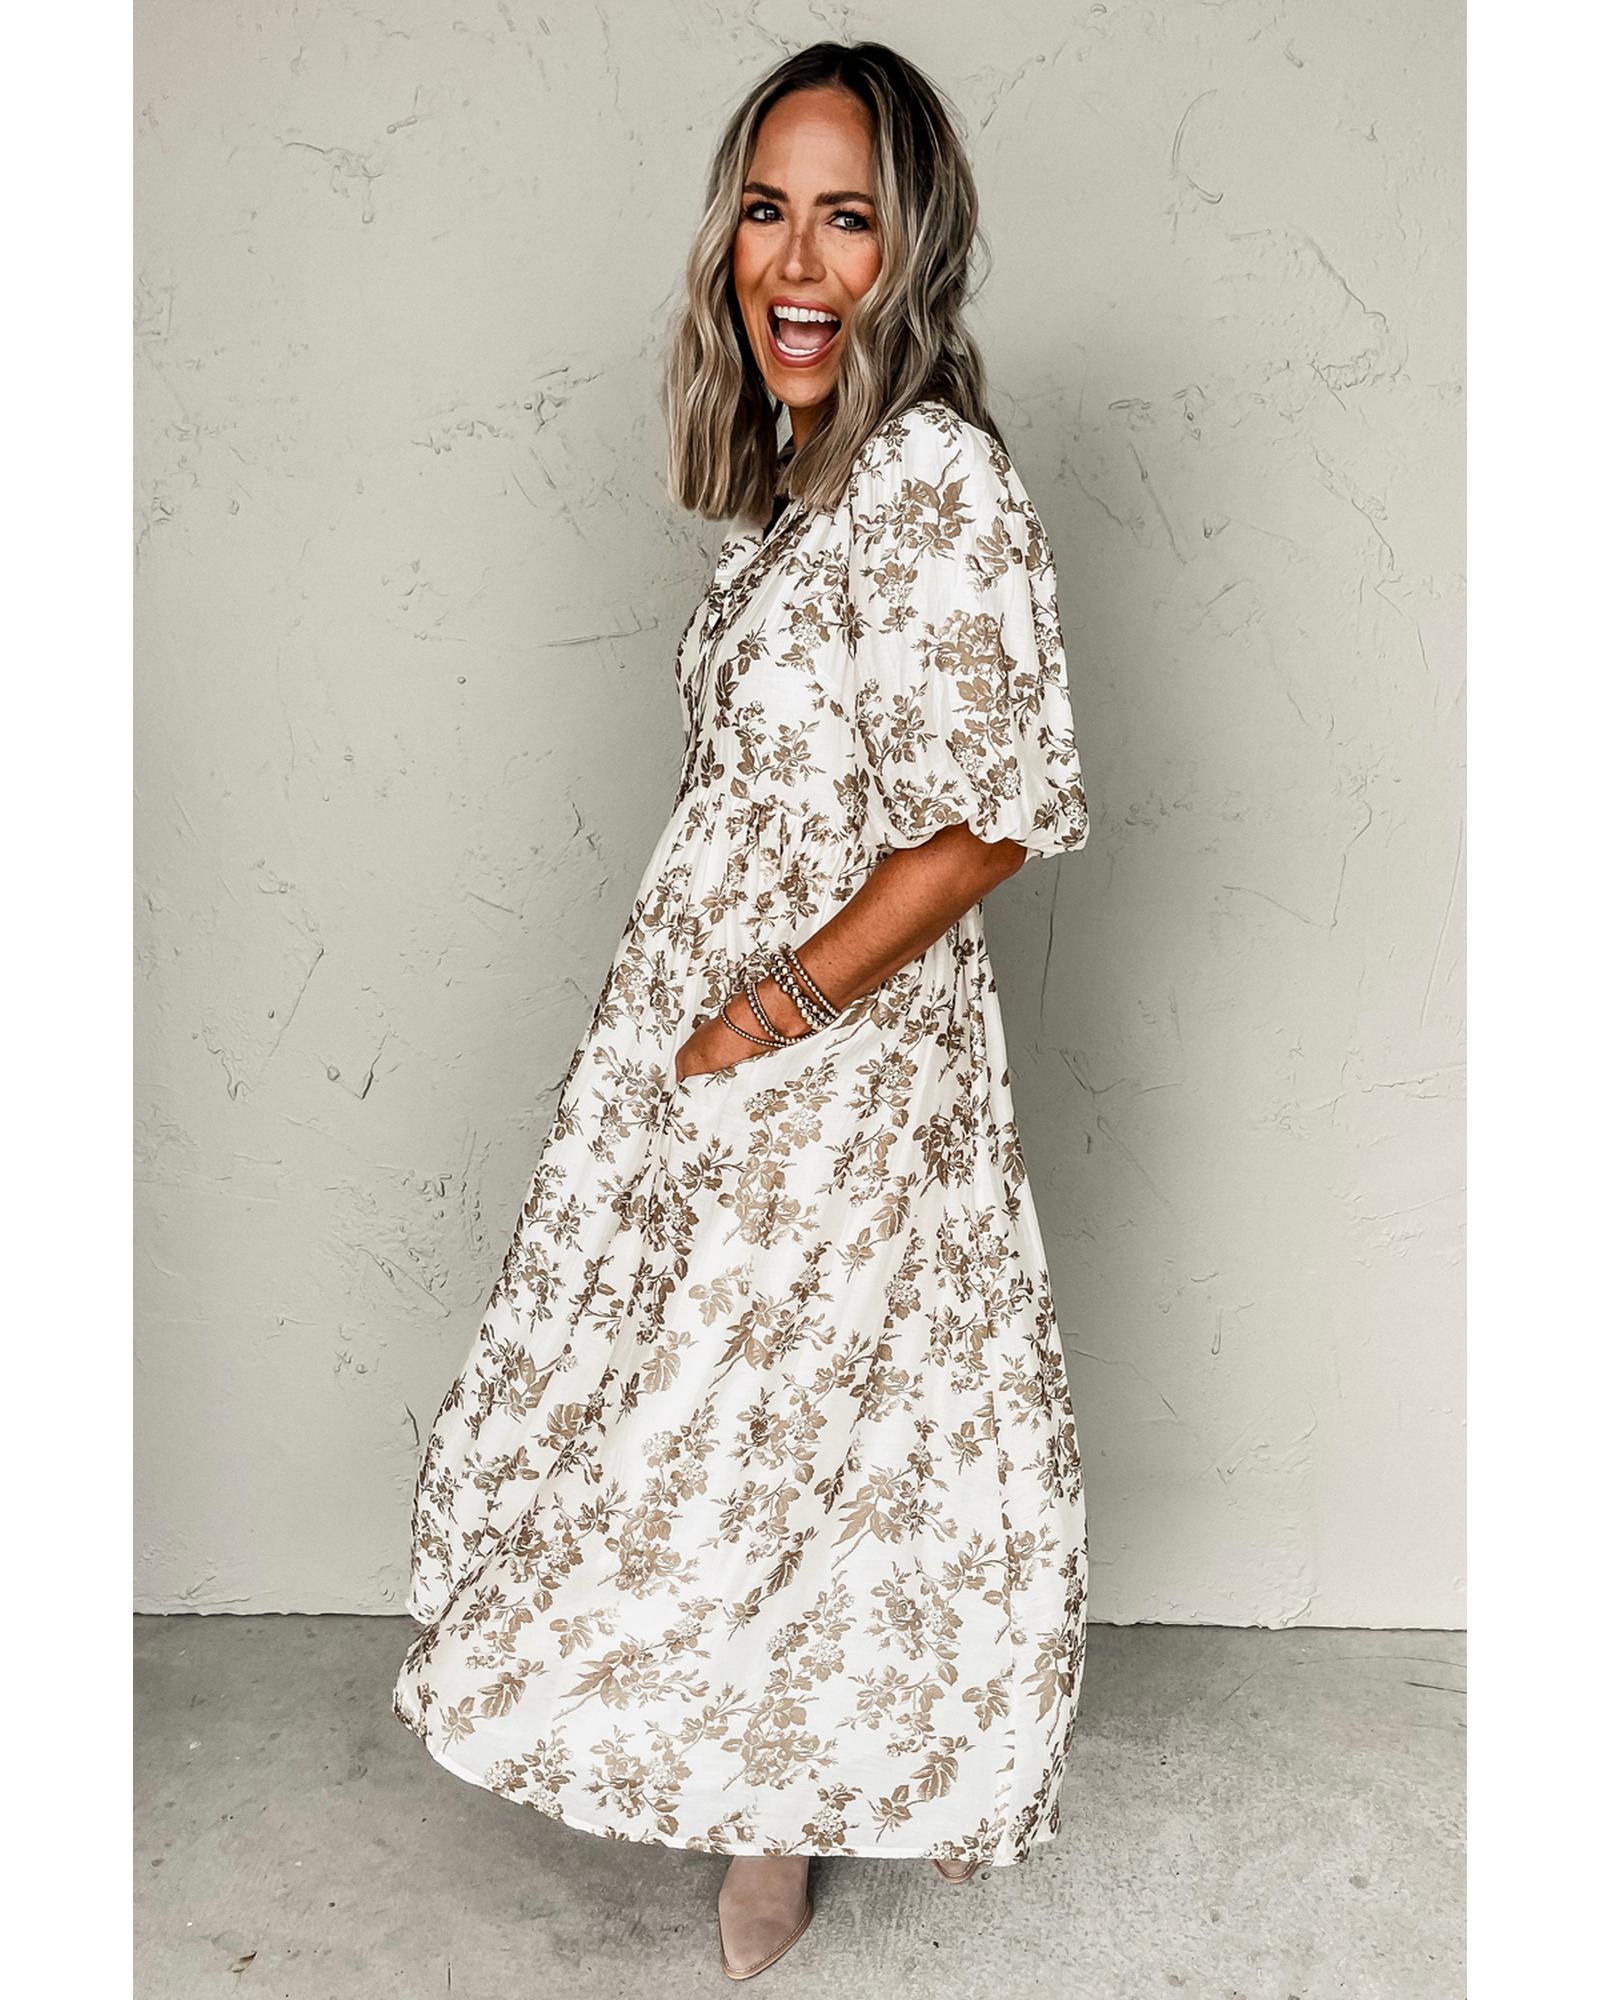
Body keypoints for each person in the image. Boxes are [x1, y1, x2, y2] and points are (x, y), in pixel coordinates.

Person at [393, 39, 1091, 1983]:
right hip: (730, 1049)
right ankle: (785, 1784)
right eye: (765, 211)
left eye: (845, 218)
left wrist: (763, 1014)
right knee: (738, 1420)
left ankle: (790, 1815)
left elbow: (981, 820)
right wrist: (686, 1034)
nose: (793, 260)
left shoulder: (932, 478)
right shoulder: (803, 491)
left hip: (828, 1059)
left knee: (775, 1430)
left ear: (910, 251)